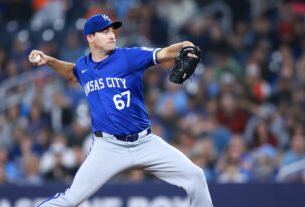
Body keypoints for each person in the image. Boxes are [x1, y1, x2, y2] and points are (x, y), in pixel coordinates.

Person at [29, 14, 213, 207]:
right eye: (105, 31)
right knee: (70, 199)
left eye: (112, 31)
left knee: (195, 176)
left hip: (145, 143)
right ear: (90, 38)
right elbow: (72, 73)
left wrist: (185, 44)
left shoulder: (128, 57)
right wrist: (49, 60)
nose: (112, 35)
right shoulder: (84, 66)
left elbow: (165, 53)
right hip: (108, 147)